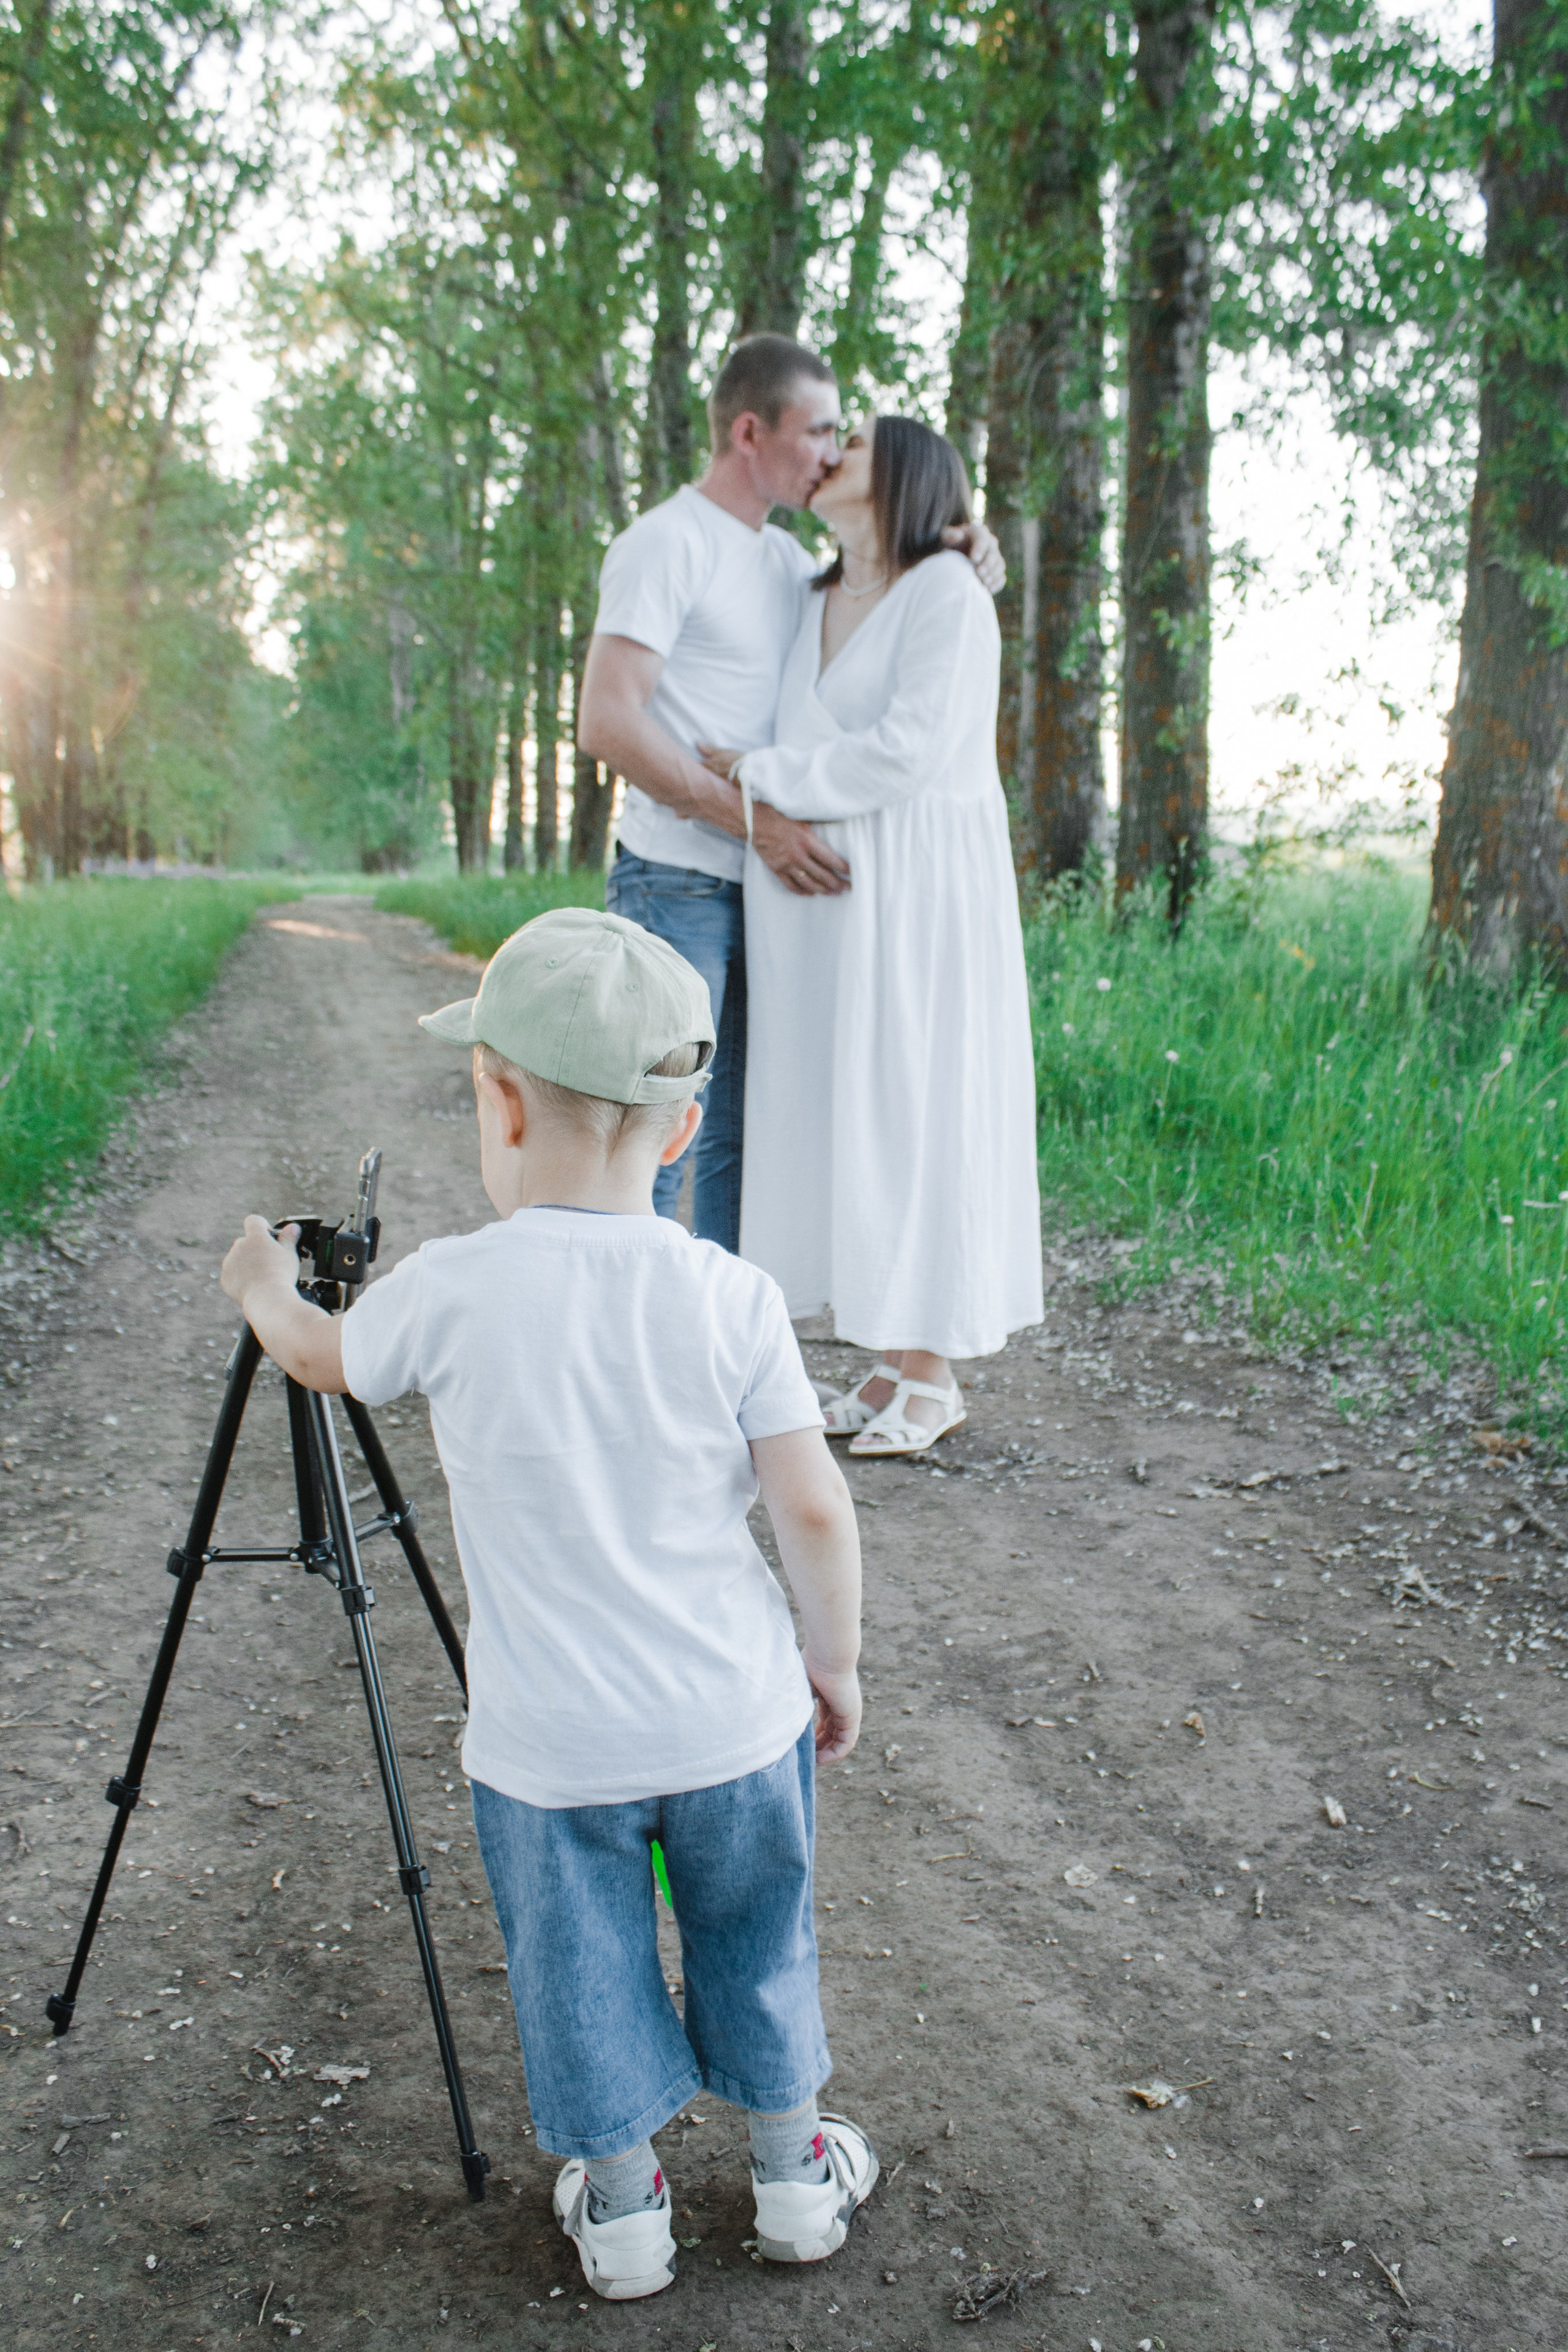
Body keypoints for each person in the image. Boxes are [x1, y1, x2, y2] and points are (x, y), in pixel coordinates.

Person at [219, 907, 875, 2303]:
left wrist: (265, 1287)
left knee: (577, 1970)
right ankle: (789, 2175)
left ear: (497, 1099)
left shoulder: (453, 1290)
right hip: (732, 1726)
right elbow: (814, 1507)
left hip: (550, 1754)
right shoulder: (730, 1297)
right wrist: (833, 1666)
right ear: (685, 1127)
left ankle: (627, 2210)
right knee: (758, 1938)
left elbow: (324, 1359)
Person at [578, 333, 1003, 1253]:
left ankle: (723, 1358)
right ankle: (633, 1356)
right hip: (676, 879)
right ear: (748, 431)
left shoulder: (783, 563)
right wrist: (756, 823)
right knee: (655, 1136)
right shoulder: (664, 544)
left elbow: (884, 591)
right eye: (817, 433)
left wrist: (961, 538)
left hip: (768, 892)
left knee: (743, 1142)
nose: (830, 453)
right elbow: (607, 721)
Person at [701, 417, 1044, 1458]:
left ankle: (935, 1373)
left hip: (918, 888)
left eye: (850, 438)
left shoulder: (946, 592)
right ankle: (891, 1358)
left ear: (903, 471)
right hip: (822, 901)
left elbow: (908, 750)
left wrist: (752, 774)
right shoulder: (811, 594)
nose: (830, 449)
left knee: (916, 1102)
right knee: (846, 1113)